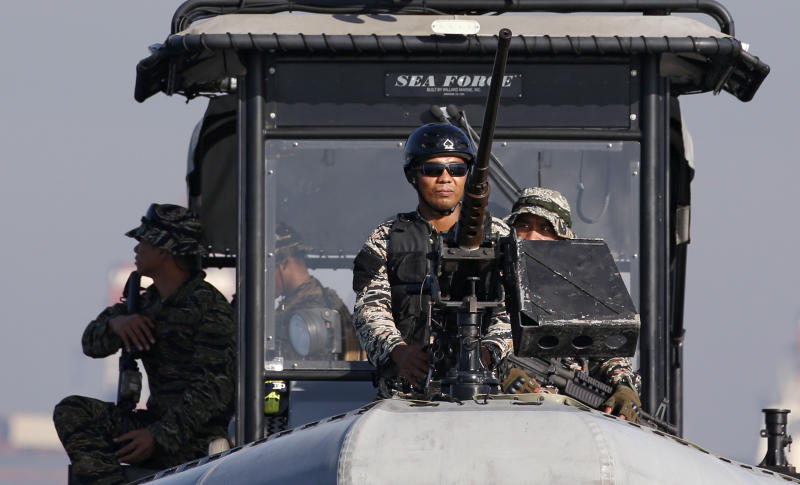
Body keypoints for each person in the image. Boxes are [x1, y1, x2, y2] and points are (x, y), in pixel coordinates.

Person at [53, 204, 236, 485]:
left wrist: (159, 436)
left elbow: (213, 390)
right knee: (72, 411)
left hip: (196, 438)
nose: (137, 249)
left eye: (145, 242)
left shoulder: (209, 307)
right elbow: (91, 343)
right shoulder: (145, 302)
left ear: (164, 251)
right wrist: (116, 325)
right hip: (154, 426)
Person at [352, 123, 512, 395]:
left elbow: (514, 311)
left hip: (485, 395)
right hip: (406, 396)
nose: (446, 178)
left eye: (457, 170)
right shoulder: (387, 236)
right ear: (413, 175)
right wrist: (398, 352)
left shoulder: (499, 235)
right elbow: (370, 308)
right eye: (433, 170)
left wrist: (487, 352)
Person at [503, 187, 642, 421]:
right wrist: (503, 370)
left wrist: (624, 386)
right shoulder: (492, 282)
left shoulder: (584, 294)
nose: (532, 237)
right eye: (524, 226)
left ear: (563, 239)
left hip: (572, 417)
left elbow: (608, 351)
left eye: (546, 229)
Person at [273, 223, 363, 361]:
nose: (262, 278)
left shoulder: (309, 309)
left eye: (266, 269)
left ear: (284, 263)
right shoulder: (314, 300)